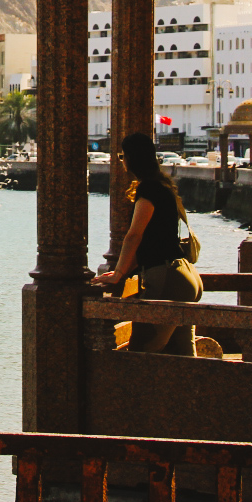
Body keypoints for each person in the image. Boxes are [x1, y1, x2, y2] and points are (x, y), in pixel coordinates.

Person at [92, 132, 203, 354]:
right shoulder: (164, 186)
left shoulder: (148, 189)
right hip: (186, 277)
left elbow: (135, 235)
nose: (122, 161)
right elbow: (156, 238)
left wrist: (118, 273)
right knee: (181, 356)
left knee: (141, 352)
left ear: (132, 158)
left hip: (167, 279)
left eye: (122, 156)